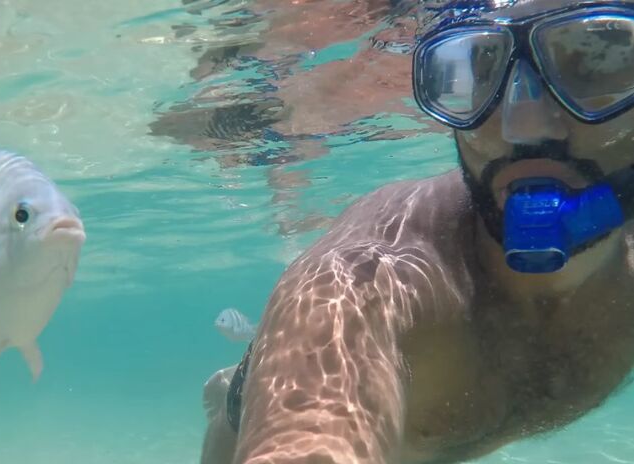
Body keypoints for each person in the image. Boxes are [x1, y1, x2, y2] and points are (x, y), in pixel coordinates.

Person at [201, 0, 634, 462]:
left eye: (598, 61)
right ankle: (231, 389)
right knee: (236, 408)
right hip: (260, 410)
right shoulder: (361, 288)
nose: (521, 125)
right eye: (479, 69)